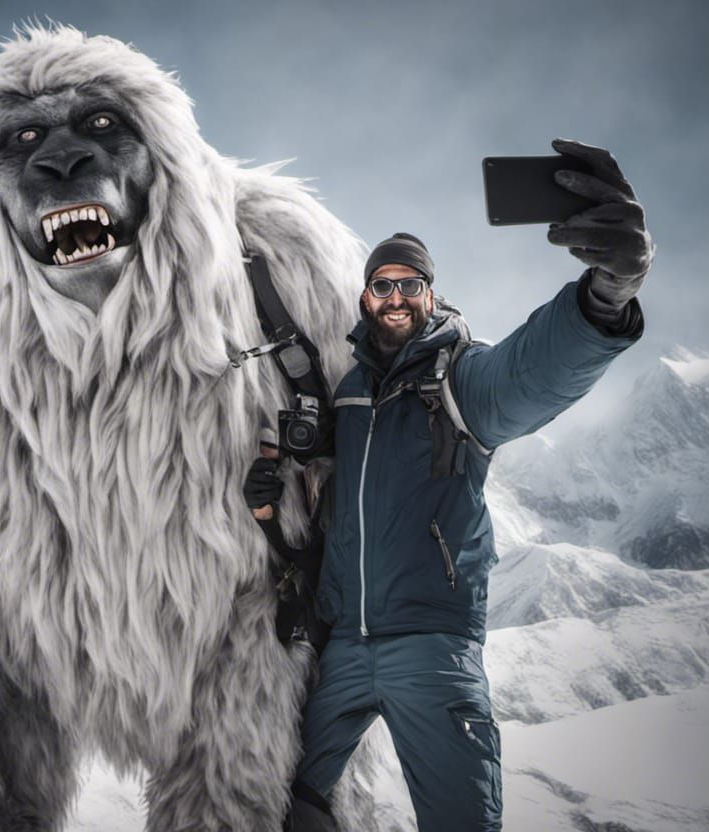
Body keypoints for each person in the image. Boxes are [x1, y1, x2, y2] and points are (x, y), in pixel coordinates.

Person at [244, 138, 653, 831]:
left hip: (429, 647)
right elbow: (329, 491)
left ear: (430, 295)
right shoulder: (347, 391)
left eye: (410, 284)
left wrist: (607, 295)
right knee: (292, 804)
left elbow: (532, 372)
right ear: (367, 297)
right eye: (384, 284)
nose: (396, 296)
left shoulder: (460, 379)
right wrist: (272, 481)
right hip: (344, 647)